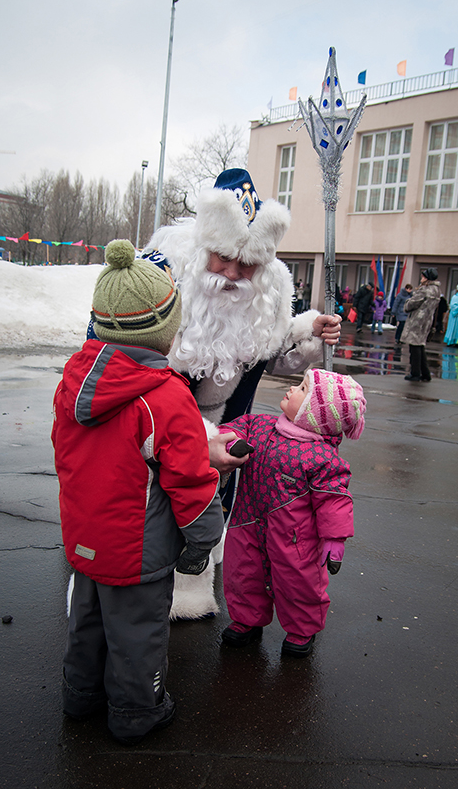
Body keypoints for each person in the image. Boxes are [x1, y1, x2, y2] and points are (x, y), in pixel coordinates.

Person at [138, 168, 342, 619]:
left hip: (228, 426)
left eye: (245, 265)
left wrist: (309, 330)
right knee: (155, 505)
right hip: (161, 423)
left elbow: (271, 355)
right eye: (222, 259)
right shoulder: (163, 275)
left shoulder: (270, 291)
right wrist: (192, 437)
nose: (231, 275)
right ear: (202, 248)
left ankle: (192, 583)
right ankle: (135, 583)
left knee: (213, 500)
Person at [52, 240, 225, 745]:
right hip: (137, 548)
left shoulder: (75, 379)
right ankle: (136, 711)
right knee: (136, 635)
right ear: (162, 329)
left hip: (85, 537)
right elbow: (190, 480)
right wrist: (201, 543)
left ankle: (79, 695)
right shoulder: (165, 397)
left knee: (87, 624)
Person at [219, 369, 366, 658]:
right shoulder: (261, 426)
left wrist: (335, 539)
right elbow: (237, 425)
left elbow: (334, 500)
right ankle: (246, 620)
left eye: (302, 389)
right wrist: (231, 439)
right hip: (247, 521)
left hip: (294, 538)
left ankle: (302, 628)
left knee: (298, 582)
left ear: (316, 414)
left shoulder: (323, 458)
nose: (291, 388)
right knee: (242, 572)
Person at [401, 268, 441, 381]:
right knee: (420, 346)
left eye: (423, 276)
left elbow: (411, 304)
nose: (421, 278)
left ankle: (415, 373)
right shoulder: (436, 290)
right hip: (427, 321)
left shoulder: (425, 290)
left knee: (414, 348)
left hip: (417, 320)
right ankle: (425, 373)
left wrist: (408, 303)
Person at [444, 281, 458, 346]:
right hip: (456, 316)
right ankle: (451, 340)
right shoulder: (455, 297)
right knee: (454, 328)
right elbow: (453, 306)